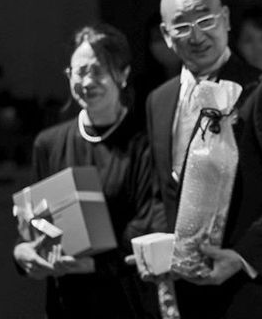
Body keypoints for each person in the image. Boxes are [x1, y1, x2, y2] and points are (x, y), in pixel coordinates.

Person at [146, 0, 262, 318]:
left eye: (205, 20)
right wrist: (156, 248)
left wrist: (242, 257)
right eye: (182, 26)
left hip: (245, 289)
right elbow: (162, 193)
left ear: (226, 19)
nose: (196, 35)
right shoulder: (158, 101)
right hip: (182, 290)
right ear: (166, 34)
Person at [13, 24, 160, 318]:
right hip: (67, 301)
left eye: (98, 71)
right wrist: (22, 252)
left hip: (128, 301)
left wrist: (94, 265)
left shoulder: (146, 142)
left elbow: (150, 223)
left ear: (123, 74)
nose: (88, 81)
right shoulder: (48, 144)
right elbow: (35, 219)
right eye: (79, 72)